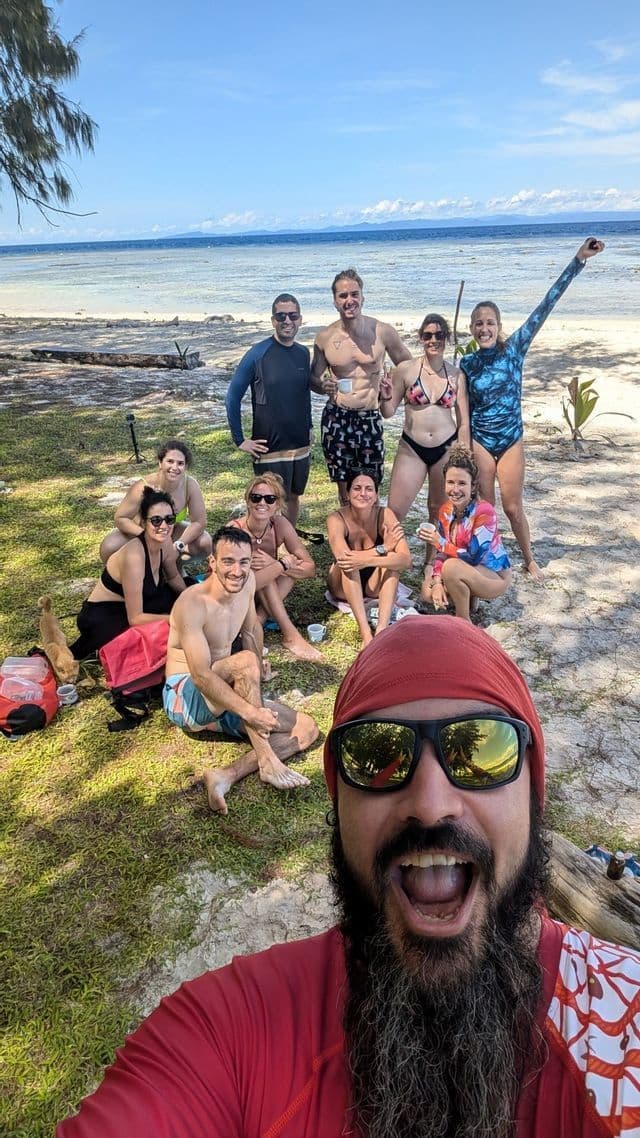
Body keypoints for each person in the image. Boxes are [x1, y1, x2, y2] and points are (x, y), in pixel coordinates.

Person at [57, 616, 640, 1137]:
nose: (432, 804)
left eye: (480, 750)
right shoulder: (230, 1033)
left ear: (533, 790)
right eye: (378, 754)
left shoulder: (625, 1023)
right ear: (339, 804)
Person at [461, 237, 604, 581]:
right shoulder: (466, 364)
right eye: (478, 324)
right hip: (481, 440)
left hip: (510, 440)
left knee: (512, 507)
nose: (484, 328)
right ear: (472, 329)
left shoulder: (515, 349)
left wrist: (578, 261)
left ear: (498, 326)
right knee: (487, 508)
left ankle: (528, 557)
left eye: (489, 323)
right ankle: (489, 560)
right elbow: (456, 403)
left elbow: (545, 305)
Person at [162, 525, 318, 815]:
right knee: (245, 662)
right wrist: (251, 711)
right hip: (186, 698)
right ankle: (268, 762)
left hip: (222, 695)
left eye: (244, 562)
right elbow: (200, 675)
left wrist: (257, 669)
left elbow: (251, 630)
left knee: (306, 729)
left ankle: (226, 775)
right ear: (212, 563)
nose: (237, 571)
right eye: (228, 562)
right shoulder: (192, 604)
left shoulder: (247, 584)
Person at [311, 268, 412, 504]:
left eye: (354, 294)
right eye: (343, 296)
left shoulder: (383, 332)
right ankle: (348, 538)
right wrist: (323, 385)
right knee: (345, 490)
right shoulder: (325, 338)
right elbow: (312, 379)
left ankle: (371, 538)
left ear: (363, 297)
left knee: (371, 487)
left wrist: (391, 393)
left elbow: (408, 367)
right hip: (337, 418)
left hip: (369, 417)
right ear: (335, 301)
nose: (350, 301)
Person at [225, 293, 312, 527]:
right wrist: (239, 440)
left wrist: (310, 427)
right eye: (280, 315)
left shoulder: (303, 353)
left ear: (300, 319)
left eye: (292, 315)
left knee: (293, 497)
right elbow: (232, 397)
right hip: (269, 446)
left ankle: (287, 541)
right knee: (267, 501)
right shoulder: (258, 354)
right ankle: (263, 543)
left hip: (300, 445)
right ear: (273, 320)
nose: (287, 320)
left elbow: (303, 394)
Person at [71, 488, 185, 659]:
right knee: (166, 628)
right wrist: (175, 619)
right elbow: (136, 618)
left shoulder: (166, 542)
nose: (163, 526)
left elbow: (174, 577)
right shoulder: (134, 557)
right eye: (156, 520)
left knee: (189, 590)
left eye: (169, 519)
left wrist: (189, 598)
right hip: (106, 617)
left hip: (141, 602)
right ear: (143, 523)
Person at [382, 312, 470, 523]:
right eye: (428, 335)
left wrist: (465, 456)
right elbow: (387, 412)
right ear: (421, 338)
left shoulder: (456, 375)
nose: (434, 340)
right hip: (412, 448)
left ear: (446, 339)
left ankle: (432, 557)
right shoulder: (405, 370)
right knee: (394, 512)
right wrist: (384, 398)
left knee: (438, 512)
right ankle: (389, 554)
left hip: (446, 449)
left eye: (439, 335)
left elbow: (464, 421)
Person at [226, 472, 322, 662]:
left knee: (286, 572)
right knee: (270, 571)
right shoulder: (235, 530)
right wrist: (276, 567)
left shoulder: (280, 525)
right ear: (247, 501)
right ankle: (290, 634)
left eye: (270, 499)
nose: (262, 503)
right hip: (234, 593)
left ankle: (258, 622)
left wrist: (275, 565)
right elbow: (230, 580)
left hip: (259, 594)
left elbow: (310, 568)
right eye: (256, 497)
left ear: (277, 505)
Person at [419, 446, 511, 618]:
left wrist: (439, 542)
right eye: (451, 482)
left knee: (451, 567)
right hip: (463, 568)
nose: (455, 489)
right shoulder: (445, 510)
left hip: (493, 575)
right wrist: (437, 582)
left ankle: (463, 619)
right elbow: (441, 553)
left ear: (473, 486)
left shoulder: (485, 512)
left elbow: (474, 557)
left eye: (462, 483)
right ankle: (466, 596)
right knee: (427, 591)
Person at [327, 468, 411, 647]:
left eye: (369, 489)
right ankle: (365, 633)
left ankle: (381, 629)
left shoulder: (385, 514)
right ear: (347, 494)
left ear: (376, 495)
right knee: (349, 565)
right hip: (342, 585)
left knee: (393, 563)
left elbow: (406, 560)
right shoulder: (336, 518)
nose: (363, 493)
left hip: (375, 584)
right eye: (357, 488)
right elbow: (344, 559)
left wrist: (367, 559)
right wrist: (384, 548)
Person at [99, 439, 212, 564]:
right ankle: (135, 570)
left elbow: (199, 522)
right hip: (141, 533)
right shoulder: (142, 487)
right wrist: (146, 536)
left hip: (171, 533)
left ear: (186, 466)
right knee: (109, 547)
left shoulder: (190, 485)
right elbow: (120, 518)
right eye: (170, 461)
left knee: (204, 542)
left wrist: (179, 544)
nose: (175, 467)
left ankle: (174, 565)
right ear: (160, 463)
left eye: (180, 463)